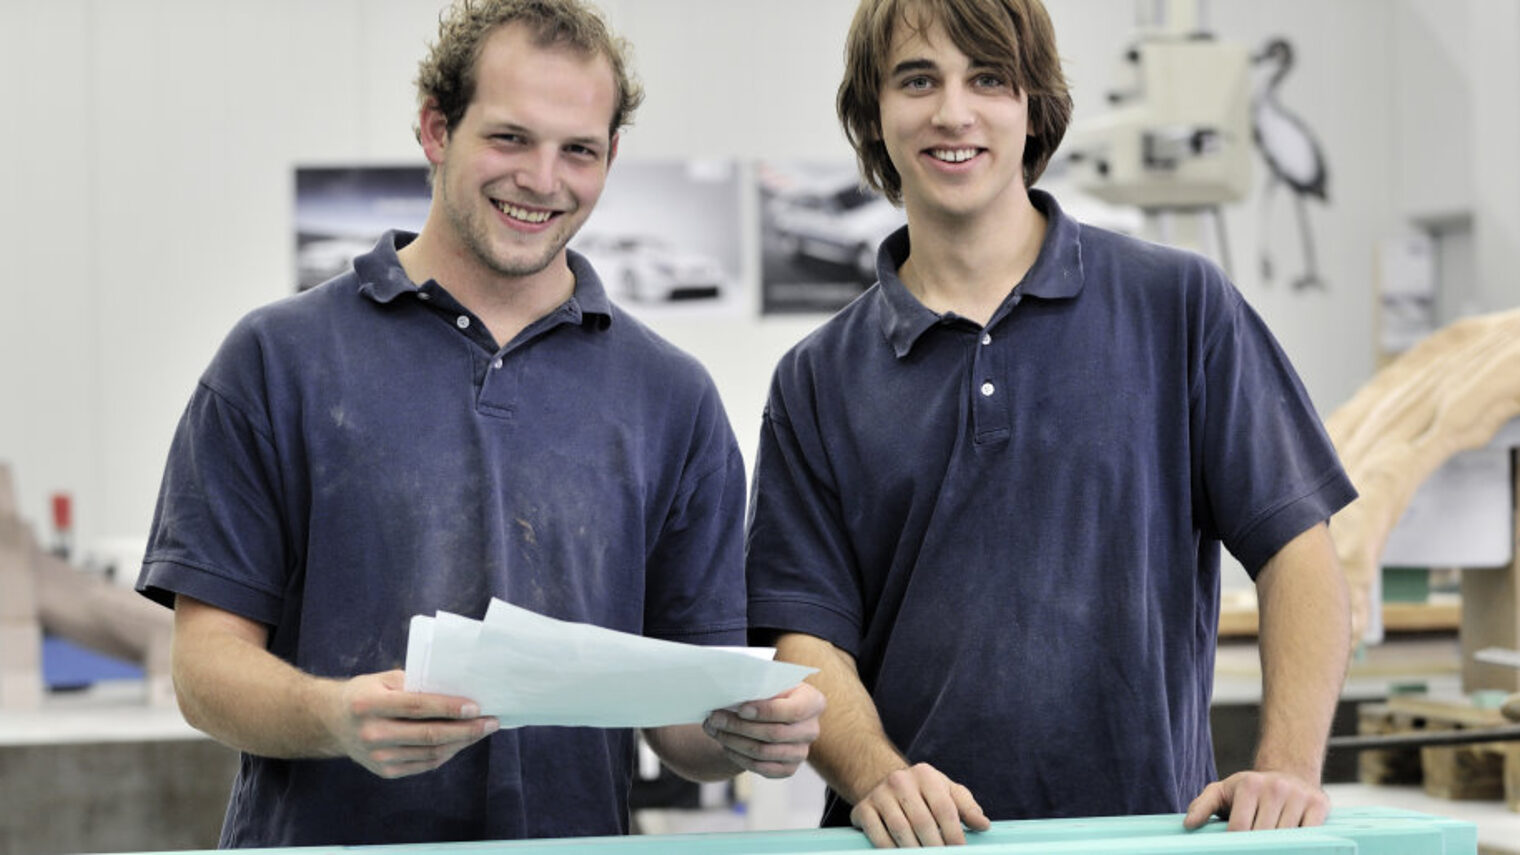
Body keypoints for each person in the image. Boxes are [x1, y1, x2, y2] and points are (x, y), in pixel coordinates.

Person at [135, 0, 823, 847]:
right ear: (435, 129)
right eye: (509, 138)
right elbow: (203, 671)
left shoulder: (671, 398)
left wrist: (742, 733)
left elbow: (681, 732)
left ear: (611, 156)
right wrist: (334, 716)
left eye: (579, 149)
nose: (542, 179)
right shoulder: (277, 361)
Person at [744, 0, 1355, 847]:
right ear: (871, 113)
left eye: (988, 78)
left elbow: (1300, 552)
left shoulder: (1179, 307)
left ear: (1034, 106)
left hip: (1144, 836)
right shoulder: (816, 377)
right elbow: (801, 630)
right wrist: (880, 776)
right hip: (916, 845)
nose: (952, 112)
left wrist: (1287, 767)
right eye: (917, 80)